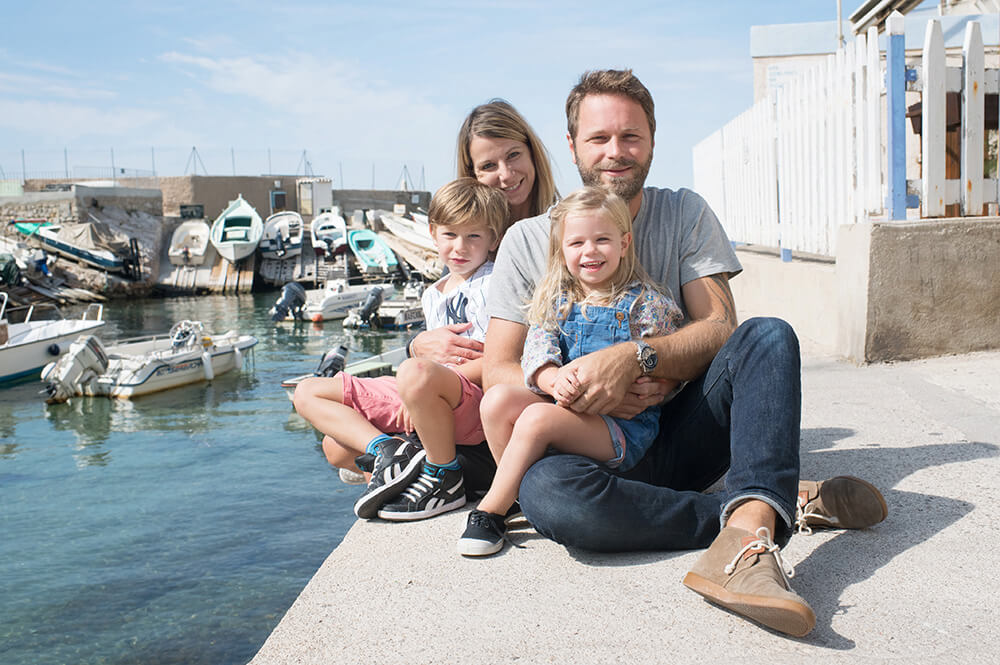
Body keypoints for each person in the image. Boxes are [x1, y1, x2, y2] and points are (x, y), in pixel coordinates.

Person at [481, 69, 888, 637]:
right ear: (571, 146)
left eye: (631, 136)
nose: (615, 152)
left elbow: (721, 326)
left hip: (679, 430)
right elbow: (499, 367)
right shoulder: (530, 240)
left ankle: (746, 548)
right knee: (553, 500)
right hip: (589, 445)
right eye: (598, 138)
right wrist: (570, 388)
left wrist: (640, 361)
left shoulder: (685, 213)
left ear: (652, 139)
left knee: (767, 335)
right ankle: (767, 504)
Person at [457, 186, 683, 556]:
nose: (589, 251)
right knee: (496, 400)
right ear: (561, 249)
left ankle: (489, 513)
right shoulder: (556, 301)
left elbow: (668, 360)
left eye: (602, 240)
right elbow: (537, 353)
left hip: (622, 428)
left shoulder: (646, 303)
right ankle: (517, 493)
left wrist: (645, 383)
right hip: (569, 408)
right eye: (577, 242)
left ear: (624, 243)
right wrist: (549, 378)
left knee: (535, 420)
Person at [292, 177, 510, 521]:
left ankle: (441, 477)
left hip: (472, 396)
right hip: (430, 389)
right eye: (450, 235)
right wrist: (419, 387)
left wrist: (422, 389)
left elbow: (501, 360)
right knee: (311, 400)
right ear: (433, 232)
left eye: (474, 236)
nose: (460, 247)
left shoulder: (495, 280)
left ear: (492, 239)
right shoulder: (432, 294)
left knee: (415, 373)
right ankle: (389, 455)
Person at [409, 99, 559, 367]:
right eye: (489, 166)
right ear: (473, 175)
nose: (506, 174)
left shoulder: (568, 230)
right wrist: (415, 345)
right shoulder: (467, 248)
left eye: (513, 155)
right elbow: (442, 321)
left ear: (532, 154)